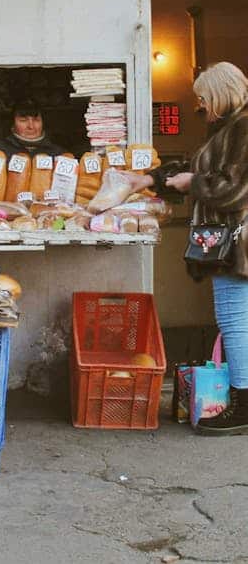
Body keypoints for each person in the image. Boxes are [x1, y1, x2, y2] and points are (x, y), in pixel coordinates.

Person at [125, 61, 248, 436]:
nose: (200, 106)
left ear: (221, 93)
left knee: (234, 320)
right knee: (239, 320)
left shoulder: (243, 128)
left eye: (203, 98)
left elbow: (235, 188)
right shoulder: (227, 128)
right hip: (230, 239)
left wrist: (194, 181)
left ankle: (243, 404)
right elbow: (199, 171)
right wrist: (152, 179)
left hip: (237, 243)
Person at [0, 101, 65, 158]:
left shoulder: (59, 154)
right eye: (23, 120)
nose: (31, 126)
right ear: (12, 124)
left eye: (36, 120)